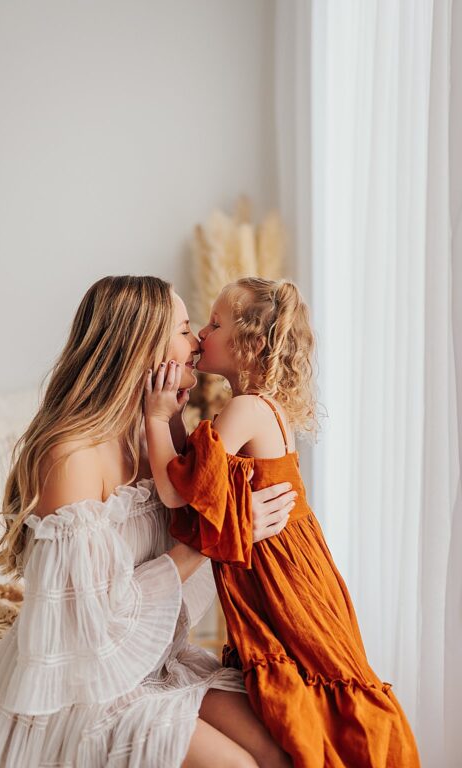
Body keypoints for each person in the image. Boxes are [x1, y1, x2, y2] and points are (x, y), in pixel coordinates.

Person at [0, 276, 296, 767]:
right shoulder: (69, 456)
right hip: (84, 685)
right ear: (142, 346)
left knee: (281, 749)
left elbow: (187, 536)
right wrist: (219, 535)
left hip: (153, 660)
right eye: (186, 329)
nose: (198, 341)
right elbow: (90, 625)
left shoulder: (156, 435)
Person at [144, 277, 420, 767]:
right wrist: (173, 419)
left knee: (312, 674)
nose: (202, 335)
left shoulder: (245, 409)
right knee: (315, 669)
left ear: (248, 343)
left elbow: (175, 490)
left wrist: (154, 415)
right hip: (292, 558)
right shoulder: (258, 407)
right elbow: (196, 473)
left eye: (214, 324)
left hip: (281, 568)